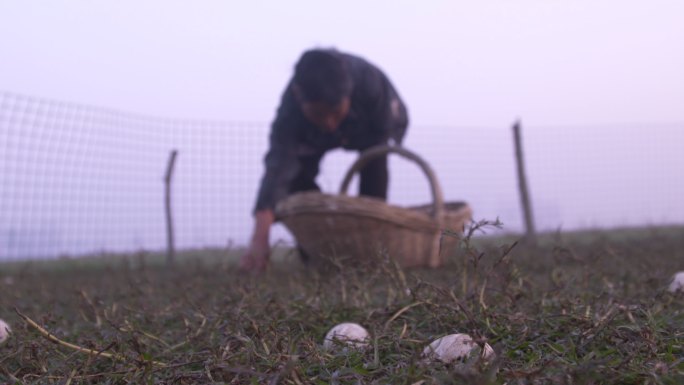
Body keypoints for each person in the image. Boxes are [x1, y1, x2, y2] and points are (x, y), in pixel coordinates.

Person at [240, 48, 409, 272]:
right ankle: (318, 253)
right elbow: (277, 168)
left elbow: (384, 140)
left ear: (347, 96)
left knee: (374, 167)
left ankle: (371, 253)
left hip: (369, 128)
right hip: (311, 135)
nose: (329, 123)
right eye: (319, 114)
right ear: (299, 96)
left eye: (335, 112)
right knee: (295, 182)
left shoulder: (371, 84)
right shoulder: (290, 113)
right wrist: (260, 236)